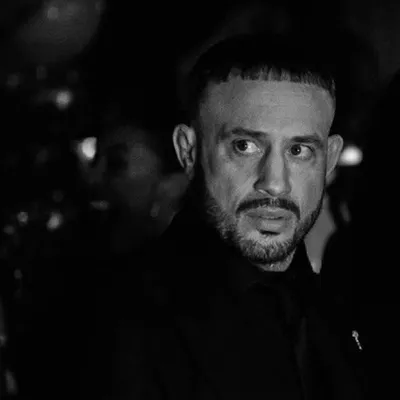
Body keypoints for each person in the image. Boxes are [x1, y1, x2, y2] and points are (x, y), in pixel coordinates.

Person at [100, 33, 367, 400]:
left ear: (330, 159)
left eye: (299, 150)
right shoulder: (118, 319)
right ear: (189, 151)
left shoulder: (343, 309)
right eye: (245, 146)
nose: (275, 182)